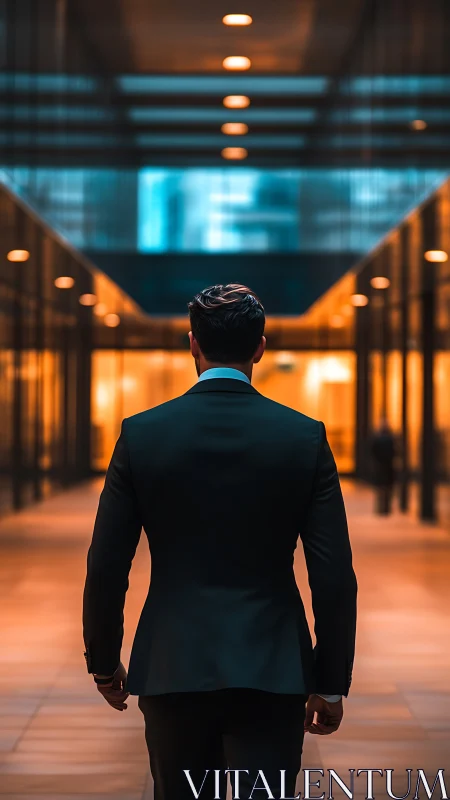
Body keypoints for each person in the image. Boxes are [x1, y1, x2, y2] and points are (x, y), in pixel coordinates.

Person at [83, 283, 357, 800]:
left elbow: (106, 564)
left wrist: (103, 659)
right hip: (273, 666)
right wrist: (331, 681)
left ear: (193, 343)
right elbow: (333, 575)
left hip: (172, 663)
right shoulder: (303, 437)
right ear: (260, 348)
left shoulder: (142, 434)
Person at [371, 419, 396, 515]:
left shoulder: (377, 439)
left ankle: (381, 508)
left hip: (379, 467)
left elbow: (373, 452)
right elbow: (394, 452)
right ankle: (386, 508)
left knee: (380, 489)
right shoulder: (390, 439)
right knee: (387, 489)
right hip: (388, 467)